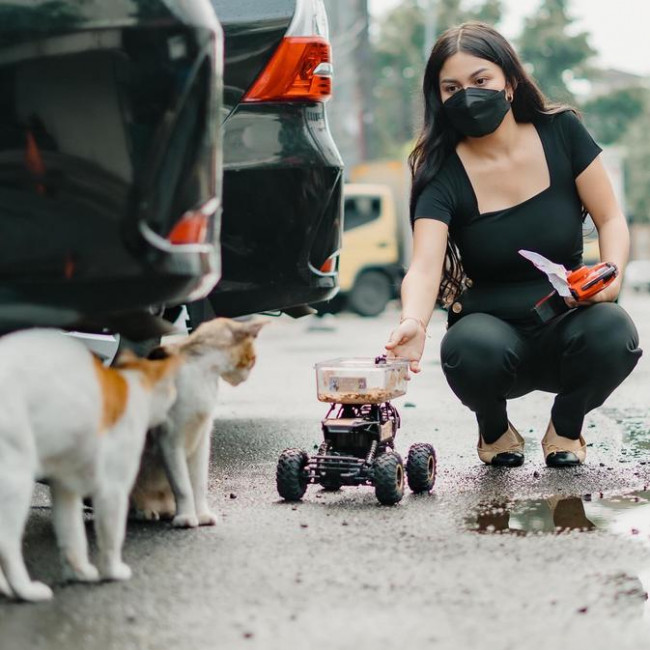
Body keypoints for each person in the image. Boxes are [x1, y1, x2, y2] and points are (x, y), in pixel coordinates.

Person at [385, 22, 642, 468]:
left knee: (614, 331)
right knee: (467, 350)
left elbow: (610, 218)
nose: (468, 94)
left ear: (510, 82)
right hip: (491, 329)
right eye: (452, 87)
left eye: (480, 80)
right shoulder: (439, 170)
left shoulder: (562, 132)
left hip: (569, 320)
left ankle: (566, 428)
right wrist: (415, 322)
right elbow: (425, 266)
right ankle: (494, 430)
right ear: (439, 99)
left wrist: (611, 273)